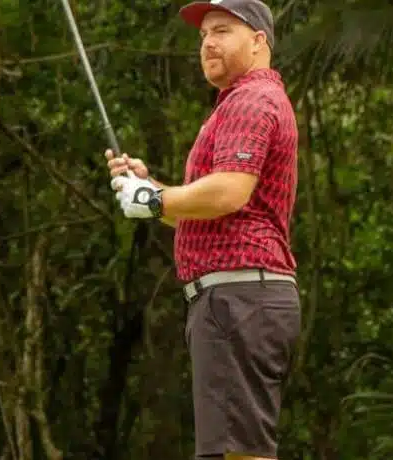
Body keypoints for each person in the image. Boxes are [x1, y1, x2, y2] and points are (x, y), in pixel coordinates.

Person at [105, 0, 299, 458]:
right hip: (238, 298)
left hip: (239, 299)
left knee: (240, 454)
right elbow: (202, 212)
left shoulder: (252, 99)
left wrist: (155, 200)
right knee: (234, 451)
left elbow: (229, 191)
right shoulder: (238, 103)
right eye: (204, 35)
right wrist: (150, 189)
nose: (208, 43)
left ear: (259, 41)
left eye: (222, 30)